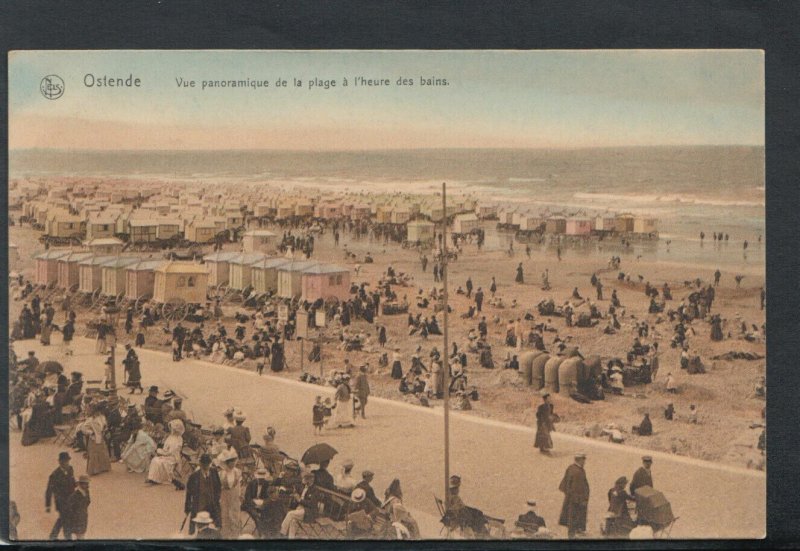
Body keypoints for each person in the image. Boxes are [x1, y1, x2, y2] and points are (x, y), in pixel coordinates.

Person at [185, 454, 222, 536]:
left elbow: (218, 486)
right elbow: (189, 493)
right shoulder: (194, 476)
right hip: (200, 504)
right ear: (200, 464)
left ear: (210, 463)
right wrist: (187, 507)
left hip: (212, 504)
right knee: (201, 524)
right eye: (204, 464)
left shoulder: (214, 472)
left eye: (207, 464)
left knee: (215, 524)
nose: (206, 466)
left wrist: (217, 498)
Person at [280, 471, 322, 539]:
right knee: (293, 521)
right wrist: (294, 495)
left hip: (309, 512)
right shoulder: (303, 487)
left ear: (310, 480)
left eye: (305, 478)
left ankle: (282, 533)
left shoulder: (315, 490)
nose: (303, 480)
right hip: (300, 509)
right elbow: (296, 491)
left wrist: (299, 500)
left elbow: (311, 504)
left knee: (290, 514)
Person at [558, 453, 590, 538]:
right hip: (576, 500)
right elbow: (578, 488)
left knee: (571, 517)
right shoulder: (578, 472)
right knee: (574, 517)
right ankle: (572, 536)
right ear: (580, 460)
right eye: (584, 460)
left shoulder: (571, 467)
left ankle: (573, 533)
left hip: (570, 498)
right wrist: (581, 500)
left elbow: (564, 484)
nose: (585, 462)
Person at [46, 451, 76, 540]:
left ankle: (52, 536)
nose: (66, 463)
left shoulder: (70, 469)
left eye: (67, 461)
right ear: (60, 462)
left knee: (63, 519)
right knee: (66, 520)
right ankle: (68, 538)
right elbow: (49, 490)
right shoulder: (54, 475)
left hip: (70, 500)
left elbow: (72, 481)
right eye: (64, 461)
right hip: (61, 502)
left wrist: (75, 484)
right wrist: (48, 505)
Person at [146, 419, 184, 485]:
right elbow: (165, 448)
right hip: (166, 454)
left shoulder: (179, 439)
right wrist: (162, 451)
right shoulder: (170, 437)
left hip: (173, 457)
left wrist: (163, 452)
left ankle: (158, 479)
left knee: (160, 462)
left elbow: (174, 451)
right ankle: (152, 478)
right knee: (155, 460)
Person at [218, 449, 242, 538]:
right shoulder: (222, 473)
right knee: (225, 515)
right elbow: (219, 486)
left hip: (234, 497)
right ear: (227, 463)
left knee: (235, 515)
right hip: (224, 496)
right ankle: (226, 535)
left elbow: (238, 486)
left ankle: (235, 535)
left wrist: (240, 495)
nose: (232, 464)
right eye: (230, 462)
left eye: (233, 461)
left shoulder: (237, 472)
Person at [243, 468, 271, 537]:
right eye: (260, 479)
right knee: (256, 516)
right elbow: (247, 498)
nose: (261, 481)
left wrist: (263, 503)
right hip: (251, 505)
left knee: (266, 514)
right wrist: (254, 505)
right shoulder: (251, 483)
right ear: (257, 478)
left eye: (263, 479)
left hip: (262, 505)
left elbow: (268, 498)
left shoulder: (267, 484)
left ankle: (264, 532)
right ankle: (261, 533)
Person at [83, 405, 111, 476]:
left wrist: (105, 429)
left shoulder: (102, 417)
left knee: (103, 452)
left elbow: (105, 425)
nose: (97, 413)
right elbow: (84, 429)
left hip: (102, 437)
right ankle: (94, 470)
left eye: (98, 412)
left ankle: (103, 468)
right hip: (94, 438)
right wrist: (91, 432)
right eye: (96, 412)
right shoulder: (90, 420)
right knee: (94, 454)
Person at [63, 475, 91, 540]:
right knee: (80, 536)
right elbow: (69, 507)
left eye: (87, 483)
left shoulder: (86, 492)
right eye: (86, 483)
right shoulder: (74, 495)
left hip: (83, 517)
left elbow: (88, 501)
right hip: (77, 519)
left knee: (82, 534)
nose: (87, 485)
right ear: (81, 484)